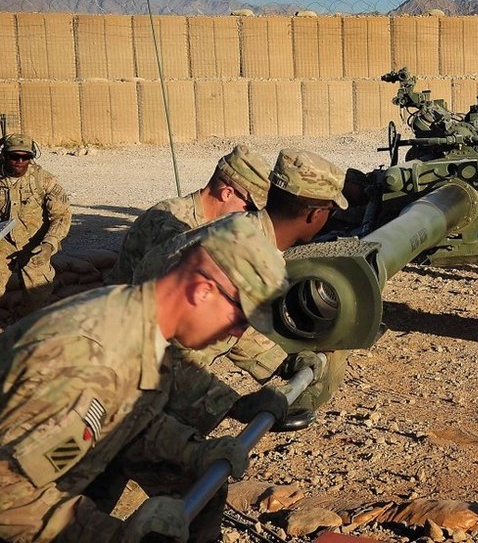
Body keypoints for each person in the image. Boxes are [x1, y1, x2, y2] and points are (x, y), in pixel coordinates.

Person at [0, 213, 290, 542]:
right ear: (203, 290)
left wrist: (193, 452)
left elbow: (131, 420)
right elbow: (7, 496)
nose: (238, 333)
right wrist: (116, 536)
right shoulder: (93, 358)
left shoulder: (143, 331)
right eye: (240, 319)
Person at [136, 149, 350, 434]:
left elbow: (229, 323)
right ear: (316, 215)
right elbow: (167, 353)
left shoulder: (242, 231)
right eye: (331, 212)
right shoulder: (245, 257)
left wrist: (282, 362)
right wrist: (234, 405)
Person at [106, 144, 271, 284]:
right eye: (250, 208)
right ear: (227, 193)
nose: (250, 216)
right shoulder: (171, 223)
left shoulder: (209, 222)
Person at [0, 133, 72, 318]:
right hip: (4, 242)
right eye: (14, 156)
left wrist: (49, 244)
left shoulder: (44, 180)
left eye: (25, 157)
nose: (20, 161)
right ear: (4, 156)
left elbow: (61, 216)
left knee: (38, 297)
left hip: (35, 243)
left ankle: (23, 323)